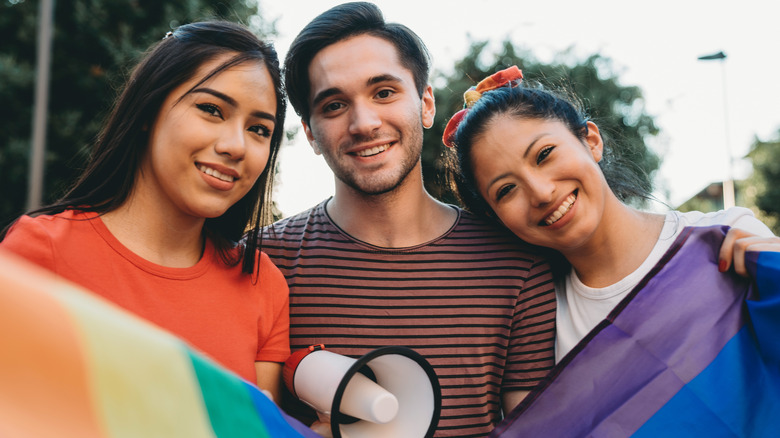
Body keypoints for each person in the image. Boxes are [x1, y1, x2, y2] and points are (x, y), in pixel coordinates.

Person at [258, 3, 556, 437]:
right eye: (335, 105)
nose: (364, 123)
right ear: (311, 134)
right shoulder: (262, 263)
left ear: (426, 104)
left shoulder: (518, 265)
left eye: (384, 93)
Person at [443, 66, 780, 436]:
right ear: (496, 217)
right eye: (506, 190)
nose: (540, 192)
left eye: (544, 154)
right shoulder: (539, 328)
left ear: (591, 141)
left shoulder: (728, 241)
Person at [0, 20, 290, 400]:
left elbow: (259, 424)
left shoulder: (261, 284)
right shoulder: (42, 250)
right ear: (147, 112)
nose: (236, 146)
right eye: (211, 109)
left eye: (259, 129)